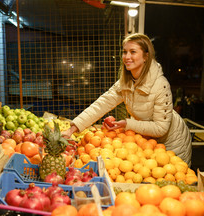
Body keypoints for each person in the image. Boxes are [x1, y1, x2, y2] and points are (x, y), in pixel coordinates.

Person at [63, 33, 192, 165]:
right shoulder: (125, 82)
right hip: (148, 141)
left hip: (173, 142)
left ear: (146, 56)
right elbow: (101, 104)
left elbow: (160, 128)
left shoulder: (160, 84)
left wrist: (127, 123)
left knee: (172, 177)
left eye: (133, 52)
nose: (127, 57)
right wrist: (72, 129)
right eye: (125, 52)